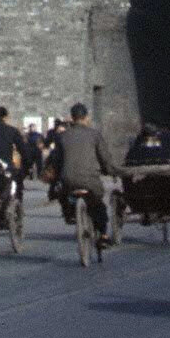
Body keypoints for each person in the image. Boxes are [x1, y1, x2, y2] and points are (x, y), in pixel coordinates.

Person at [55, 102, 124, 256]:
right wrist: (110, 171)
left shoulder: (62, 136)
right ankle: (104, 235)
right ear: (86, 118)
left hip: (68, 180)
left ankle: (69, 214)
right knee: (98, 204)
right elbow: (105, 159)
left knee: (63, 194)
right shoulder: (94, 135)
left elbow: (56, 161)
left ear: (72, 118)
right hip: (90, 180)